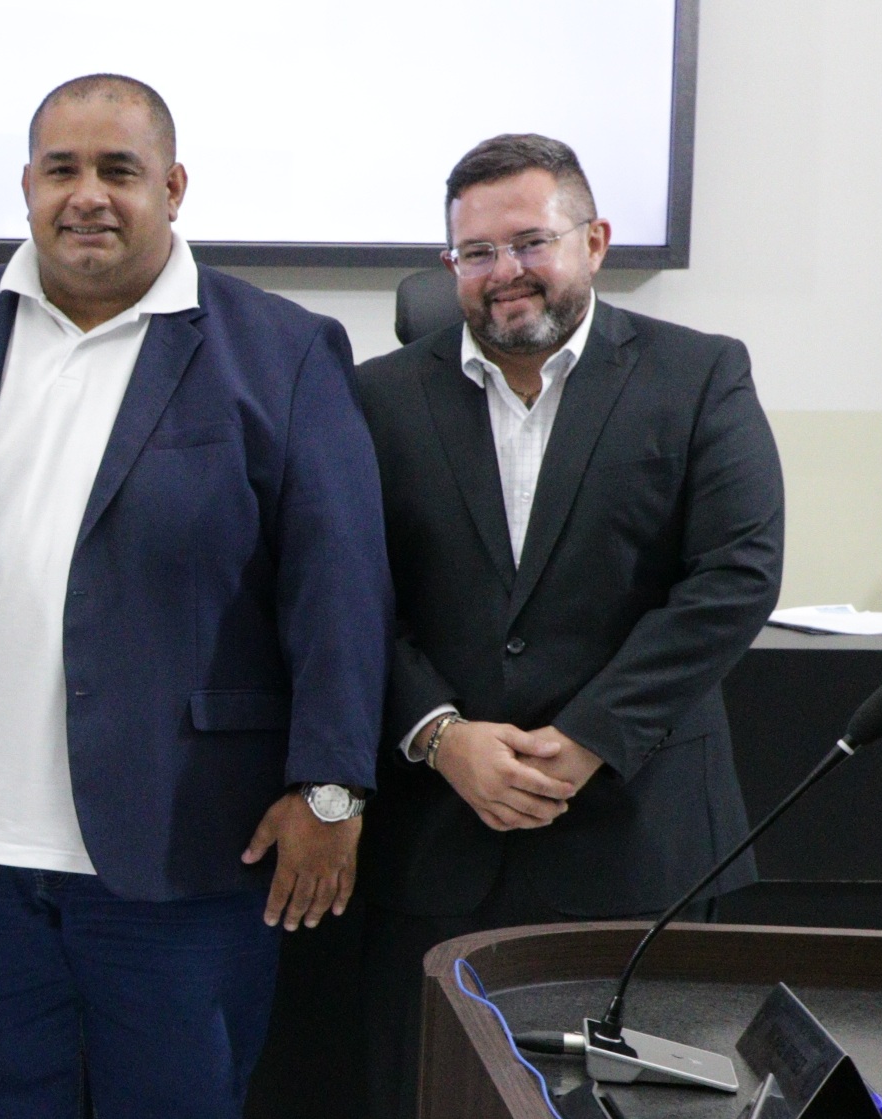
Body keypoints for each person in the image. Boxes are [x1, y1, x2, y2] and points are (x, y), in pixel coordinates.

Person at [0, 74, 389, 1119]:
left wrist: (333, 787)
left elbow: (339, 585)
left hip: (185, 853)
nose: (89, 195)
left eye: (120, 170)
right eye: (61, 169)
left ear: (174, 185)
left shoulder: (280, 348)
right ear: (26, 184)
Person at [348, 133, 783, 1118]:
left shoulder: (699, 374)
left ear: (596, 240)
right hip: (437, 840)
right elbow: (344, 595)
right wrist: (439, 734)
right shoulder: (376, 398)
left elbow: (737, 573)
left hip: (642, 843)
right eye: (476, 252)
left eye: (529, 241)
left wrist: (590, 737)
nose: (504, 274)